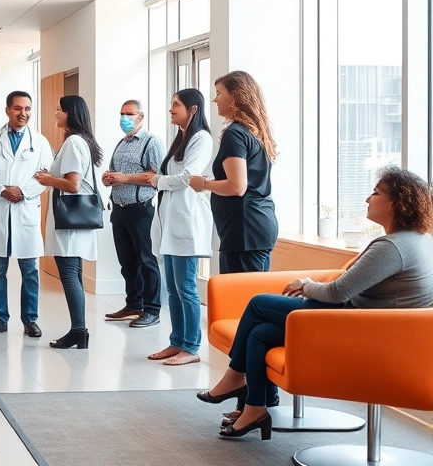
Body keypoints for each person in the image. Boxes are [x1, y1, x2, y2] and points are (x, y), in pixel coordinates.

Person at [198, 167, 433, 440]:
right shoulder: (417, 240)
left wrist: (306, 286)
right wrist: (311, 285)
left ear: (396, 203)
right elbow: (348, 285)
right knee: (260, 334)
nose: (367, 199)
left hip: (362, 329)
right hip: (373, 327)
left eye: (375, 192)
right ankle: (255, 407)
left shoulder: (393, 247)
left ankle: (235, 378)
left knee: (259, 303)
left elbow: (338, 293)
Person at [0, 91, 53, 338]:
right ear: (7, 110)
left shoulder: (39, 141)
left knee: (30, 269)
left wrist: (23, 191)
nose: (24, 114)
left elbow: (47, 174)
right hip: (0, 209)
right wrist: (2, 190)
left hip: (26, 209)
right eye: (18, 108)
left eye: (28, 108)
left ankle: (30, 319)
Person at [145, 89, 213, 366]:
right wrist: (160, 179)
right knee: (172, 288)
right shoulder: (181, 138)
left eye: (176, 105)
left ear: (193, 109)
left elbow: (187, 177)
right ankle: (177, 342)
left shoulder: (202, 138)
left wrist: (157, 181)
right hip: (171, 220)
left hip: (187, 221)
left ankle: (192, 347)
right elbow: (177, 175)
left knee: (186, 287)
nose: (171, 109)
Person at [190, 70, 278, 274]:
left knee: (241, 300)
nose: (215, 99)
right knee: (253, 298)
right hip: (256, 227)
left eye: (219, 93)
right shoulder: (254, 132)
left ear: (236, 95)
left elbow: (236, 186)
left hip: (245, 232)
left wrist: (203, 184)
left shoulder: (235, 134)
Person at [35, 95, 104, 349]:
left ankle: (78, 330)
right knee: (73, 272)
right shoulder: (81, 141)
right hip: (74, 221)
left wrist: (46, 179)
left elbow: (73, 185)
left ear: (71, 114)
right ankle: (79, 330)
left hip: (71, 221)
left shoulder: (74, 142)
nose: (56, 114)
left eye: (59, 110)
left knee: (69, 274)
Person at [101, 99, 165, 329]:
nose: (124, 118)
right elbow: (114, 172)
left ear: (141, 116)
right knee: (127, 262)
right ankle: (134, 304)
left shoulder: (152, 142)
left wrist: (125, 178)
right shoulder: (121, 142)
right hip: (119, 209)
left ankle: (152, 309)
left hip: (141, 209)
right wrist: (108, 177)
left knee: (146, 261)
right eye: (122, 114)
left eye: (129, 114)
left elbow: (158, 176)